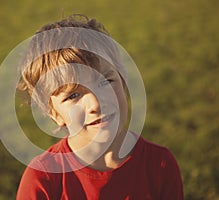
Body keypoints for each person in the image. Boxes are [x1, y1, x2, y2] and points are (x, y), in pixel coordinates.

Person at [16, 14, 183, 199]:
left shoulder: (159, 164)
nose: (95, 103)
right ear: (55, 114)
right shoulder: (43, 178)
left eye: (105, 82)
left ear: (123, 82)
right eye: (73, 95)